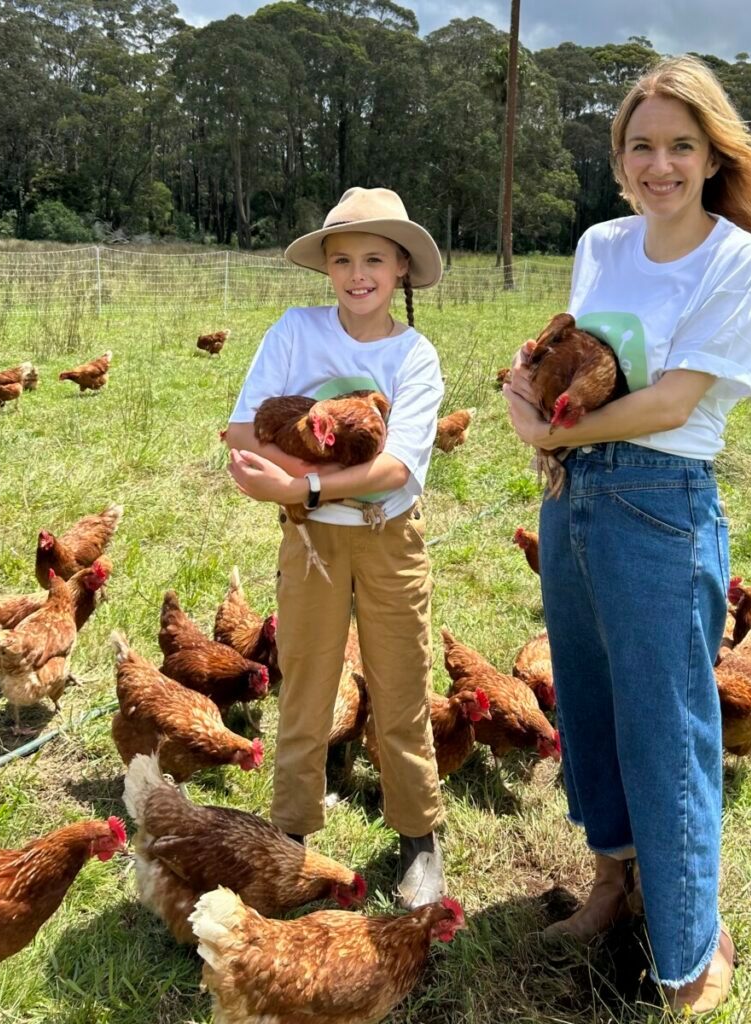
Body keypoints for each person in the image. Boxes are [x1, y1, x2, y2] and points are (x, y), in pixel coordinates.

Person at [503, 56, 751, 1013]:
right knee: (587, 701)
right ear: (619, 158)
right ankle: (613, 883)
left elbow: (671, 403)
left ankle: (691, 937)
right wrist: (530, 387)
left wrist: (554, 430)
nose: (661, 165)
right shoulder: (601, 244)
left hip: (661, 501)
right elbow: (576, 355)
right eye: (642, 146)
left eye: (681, 146)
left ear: (714, 156)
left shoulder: (736, 260)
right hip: (573, 494)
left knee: (667, 725)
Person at [224, 187, 446, 909]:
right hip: (310, 541)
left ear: (401, 268)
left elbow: (396, 470)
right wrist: (305, 493)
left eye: (374, 259)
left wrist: (300, 485)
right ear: (327, 268)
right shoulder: (295, 331)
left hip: (388, 539)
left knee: (401, 683)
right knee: (305, 682)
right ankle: (290, 830)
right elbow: (242, 432)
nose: (358, 274)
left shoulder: (414, 355)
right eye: (343, 259)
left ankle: (418, 834)